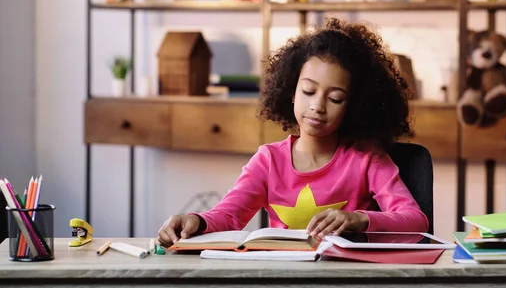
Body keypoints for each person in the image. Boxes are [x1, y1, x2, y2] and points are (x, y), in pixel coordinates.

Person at [157, 17, 429, 247]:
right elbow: (229, 216)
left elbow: (416, 221)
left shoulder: (367, 158)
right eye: (308, 91)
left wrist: (360, 219)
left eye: (335, 98)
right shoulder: (268, 161)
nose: (317, 106)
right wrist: (196, 221)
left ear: (355, 106)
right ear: (291, 91)